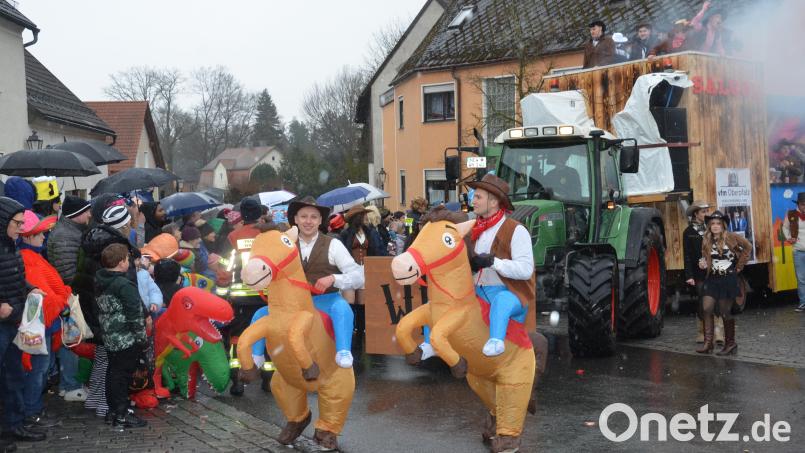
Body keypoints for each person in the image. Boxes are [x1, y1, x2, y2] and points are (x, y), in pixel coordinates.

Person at [251, 197, 365, 369]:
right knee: (260, 314)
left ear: (320, 220)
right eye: (304, 216)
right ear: (295, 219)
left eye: (313, 217)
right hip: (291, 304)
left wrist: (334, 279)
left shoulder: (333, 244)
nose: (308, 221)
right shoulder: (283, 243)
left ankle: (343, 351)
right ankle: (255, 357)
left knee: (343, 309)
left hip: (326, 300)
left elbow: (359, 275)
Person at [72, 204, 138, 418]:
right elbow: (127, 287)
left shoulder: (93, 239)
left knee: (103, 358)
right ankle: (106, 406)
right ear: (124, 225)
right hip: (108, 312)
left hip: (93, 306)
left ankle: (95, 401)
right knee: (113, 364)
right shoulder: (114, 248)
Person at [465, 174, 536, 357]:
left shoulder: (516, 230)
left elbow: (526, 270)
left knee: (501, 302)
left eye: (478, 197)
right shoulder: (474, 228)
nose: (473, 201)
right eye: (474, 196)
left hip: (511, 294)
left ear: (494, 201)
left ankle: (496, 341)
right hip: (478, 293)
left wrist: (493, 262)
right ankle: (431, 344)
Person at [0, 197, 47, 447]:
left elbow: (13, 278)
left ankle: (13, 426)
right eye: (17, 223)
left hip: (13, 321)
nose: (21, 228)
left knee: (13, 377)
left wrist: (30, 289)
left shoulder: (10, 246)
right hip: (3, 321)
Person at [18, 211, 65, 430]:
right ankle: (31, 412)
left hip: (43, 324)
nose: (44, 238)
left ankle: (32, 409)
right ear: (28, 236)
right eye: (39, 234)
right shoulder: (30, 260)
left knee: (40, 370)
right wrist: (61, 300)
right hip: (40, 326)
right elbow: (42, 296)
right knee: (37, 370)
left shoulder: (33, 257)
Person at [95, 243, 148, 428]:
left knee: (113, 373)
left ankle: (113, 411)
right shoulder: (124, 285)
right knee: (121, 376)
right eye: (127, 258)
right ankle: (121, 414)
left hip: (109, 337)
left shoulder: (101, 280)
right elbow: (135, 314)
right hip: (125, 338)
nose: (129, 261)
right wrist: (142, 339)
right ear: (120, 262)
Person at [47, 195, 92, 402]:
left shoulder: (70, 231)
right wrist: (84, 283)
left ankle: (70, 383)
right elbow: (67, 271)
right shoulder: (66, 235)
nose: (90, 215)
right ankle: (70, 384)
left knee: (71, 337)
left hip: (69, 293)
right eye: (86, 211)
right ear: (77, 214)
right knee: (71, 338)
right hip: (68, 295)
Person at [696, 211, 751, 355]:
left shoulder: (731, 237)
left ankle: (730, 343)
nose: (715, 226)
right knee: (706, 308)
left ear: (723, 225)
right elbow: (705, 258)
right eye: (712, 223)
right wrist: (703, 264)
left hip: (728, 278)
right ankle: (708, 343)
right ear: (709, 225)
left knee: (724, 311)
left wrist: (739, 266)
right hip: (712, 278)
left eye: (718, 224)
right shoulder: (706, 239)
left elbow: (748, 247)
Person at [682, 201, 724, 345]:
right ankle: (702, 331)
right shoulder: (688, 232)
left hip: (713, 270)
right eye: (703, 211)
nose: (706, 214)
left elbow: (720, 246)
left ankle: (718, 331)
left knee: (716, 299)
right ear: (696, 214)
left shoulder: (711, 228)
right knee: (702, 300)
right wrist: (689, 275)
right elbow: (687, 255)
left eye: (707, 211)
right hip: (698, 272)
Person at [783, 192, 805, 312]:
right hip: (798, 250)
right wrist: (788, 238)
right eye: (803, 205)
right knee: (801, 279)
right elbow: (784, 227)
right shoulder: (791, 214)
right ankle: (803, 303)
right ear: (799, 204)